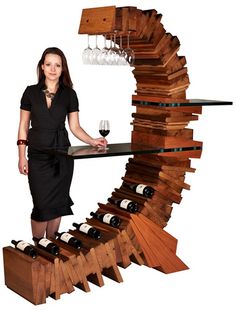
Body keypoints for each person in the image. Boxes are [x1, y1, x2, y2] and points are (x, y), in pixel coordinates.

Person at [17, 47, 107, 240]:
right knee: (41, 206)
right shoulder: (30, 93)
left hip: (62, 155)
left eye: (57, 65)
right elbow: (23, 126)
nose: (53, 68)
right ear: (42, 67)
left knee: (57, 204)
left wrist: (93, 140)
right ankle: (37, 247)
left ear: (63, 69)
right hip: (37, 156)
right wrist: (21, 156)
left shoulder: (69, 94)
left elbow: (75, 127)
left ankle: (51, 246)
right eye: (48, 64)